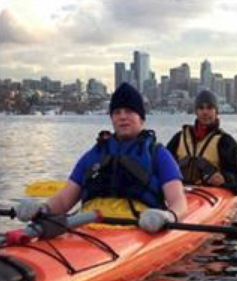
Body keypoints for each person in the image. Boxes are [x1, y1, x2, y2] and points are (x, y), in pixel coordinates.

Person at [15, 83, 187, 233]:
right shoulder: (94, 154)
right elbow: (64, 200)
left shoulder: (158, 154)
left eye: (129, 111)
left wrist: (166, 216)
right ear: (111, 118)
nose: (123, 116)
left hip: (137, 227)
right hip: (86, 227)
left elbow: (178, 202)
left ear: (141, 118)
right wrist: (42, 208)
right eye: (117, 112)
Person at [166, 89, 237, 195]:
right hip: (181, 192)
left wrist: (225, 178)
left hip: (211, 195)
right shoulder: (179, 138)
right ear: (196, 112)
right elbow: (162, 168)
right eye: (201, 108)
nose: (205, 112)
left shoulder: (226, 142)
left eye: (209, 108)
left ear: (216, 111)